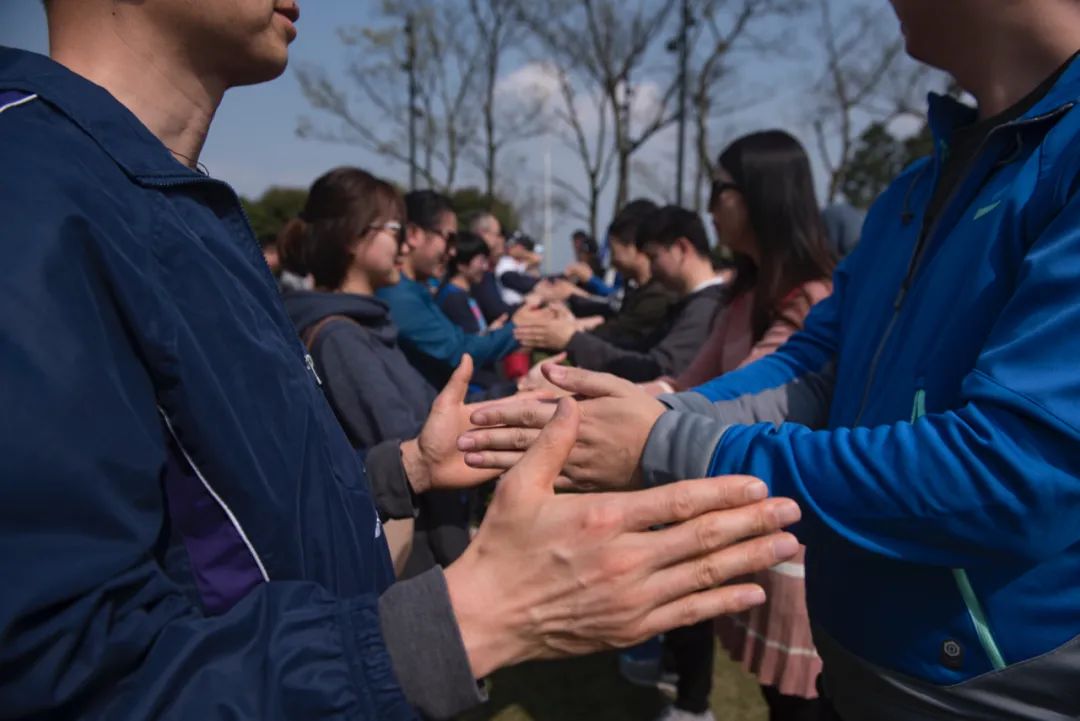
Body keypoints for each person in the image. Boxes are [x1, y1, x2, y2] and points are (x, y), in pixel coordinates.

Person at [0, 3, 807, 720]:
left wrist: (407, 469)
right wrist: (467, 619)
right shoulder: (26, 195)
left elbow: (237, 513)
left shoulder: (176, 203)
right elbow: (60, 673)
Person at [458, 2, 1080, 719]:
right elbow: (814, 365)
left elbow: (1011, 474)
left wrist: (665, 441)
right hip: (854, 669)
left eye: (724, 190)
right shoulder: (910, 192)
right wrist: (637, 419)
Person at [651, 131, 837, 721]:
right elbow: (687, 385)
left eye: (720, 190)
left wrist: (642, 419)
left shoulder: (810, 300)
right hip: (752, 516)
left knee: (802, 702)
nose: (711, 207)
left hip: (789, 530)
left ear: (762, 192)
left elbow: (754, 392)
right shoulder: (744, 295)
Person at [278, 166, 475, 579]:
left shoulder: (364, 326)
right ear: (353, 238)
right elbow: (408, 444)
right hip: (412, 561)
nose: (405, 245)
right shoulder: (341, 338)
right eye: (395, 230)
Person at [516, 206, 730, 382]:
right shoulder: (693, 304)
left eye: (654, 257)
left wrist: (572, 339)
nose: (651, 268)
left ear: (682, 249)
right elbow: (639, 350)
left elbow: (655, 369)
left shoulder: (705, 309)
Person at [377, 191, 519, 389]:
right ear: (414, 234)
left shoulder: (415, 290)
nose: (453, 251)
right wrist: (520, 329)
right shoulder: (398, 295)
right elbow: (456, 351)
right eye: (449, 239)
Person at [437, 231, 496, 334]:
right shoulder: (454, 298)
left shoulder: (465, 293)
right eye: (481, 261)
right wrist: (494, 333)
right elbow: (470, 342)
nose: (485, 267)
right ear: (462, 265)